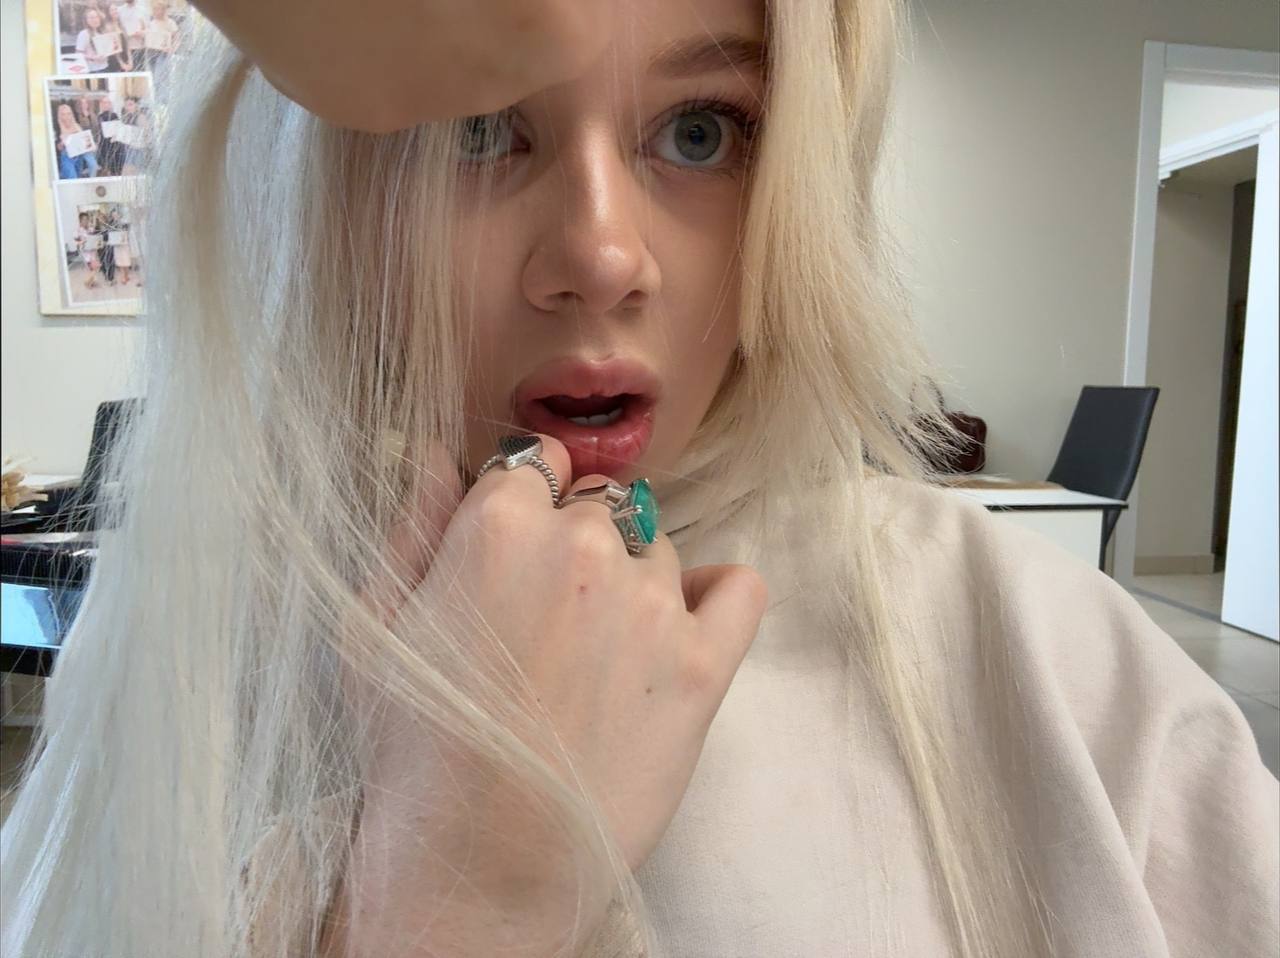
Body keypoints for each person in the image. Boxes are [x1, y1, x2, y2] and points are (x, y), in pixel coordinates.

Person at [2, 4, 1276, 958]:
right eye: (478, 129)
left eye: (699, 131)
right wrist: (457, 897)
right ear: (313, 188)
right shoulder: (182, 649)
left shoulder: (1045, 651)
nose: (601, 256)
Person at [52, 101, 99, 179]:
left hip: (79, 152)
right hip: (67, 155)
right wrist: (62, 143)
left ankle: (91, 179)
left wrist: (92, 145)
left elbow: (84, 138)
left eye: (68, 113)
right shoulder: (56, 127)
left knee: (92, 164)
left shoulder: (76, 125)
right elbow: (57, 148)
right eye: (63, 114)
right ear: (60, 115)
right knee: (72, 177)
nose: (66, 116)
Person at [74, 7, 115, 74]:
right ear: (86, 20)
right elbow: (78, 54)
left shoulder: (101, 32)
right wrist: (93, 57)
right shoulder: (84, 34)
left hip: (106, 67)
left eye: (97, 17)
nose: (95, 19)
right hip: (93, 70)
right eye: (92, 17)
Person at [73, 212, 100, 290]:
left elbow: (94, 233)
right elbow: (76, 242)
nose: (85, 221)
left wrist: (94, 219)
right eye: (84, 219)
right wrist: (82, 241)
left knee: (93, 268)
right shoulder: (77, 230)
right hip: (86, 253)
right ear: (80, 220)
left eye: (87, 219)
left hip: (93, 251)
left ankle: (91, 282)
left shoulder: (89, 229)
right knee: (94, 268)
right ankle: (88, 282)